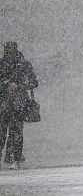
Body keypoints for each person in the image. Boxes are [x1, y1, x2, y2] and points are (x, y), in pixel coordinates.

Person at [0, 41, 38, 169]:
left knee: (16, 133)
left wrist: (19, 86)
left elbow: (34, 82)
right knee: (1, 133)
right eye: (6, 52)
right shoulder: (1, 64)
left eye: (10, 51)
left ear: (16, 51)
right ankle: (7, 157)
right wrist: (5, 85)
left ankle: (15, 159)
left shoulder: (24, 65)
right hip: (3, 105)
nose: (8, 54)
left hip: (19, 105)